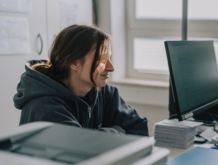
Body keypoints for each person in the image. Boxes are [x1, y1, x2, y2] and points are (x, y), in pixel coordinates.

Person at [13, 24, 148, 136]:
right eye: (101, 59)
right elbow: (81, 152)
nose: (111, 67)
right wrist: (118, 131)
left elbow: (139, 129)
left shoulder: (104, 92)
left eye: (109, 58)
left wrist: (98, 137)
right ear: (74, 63)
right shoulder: (46, 106)